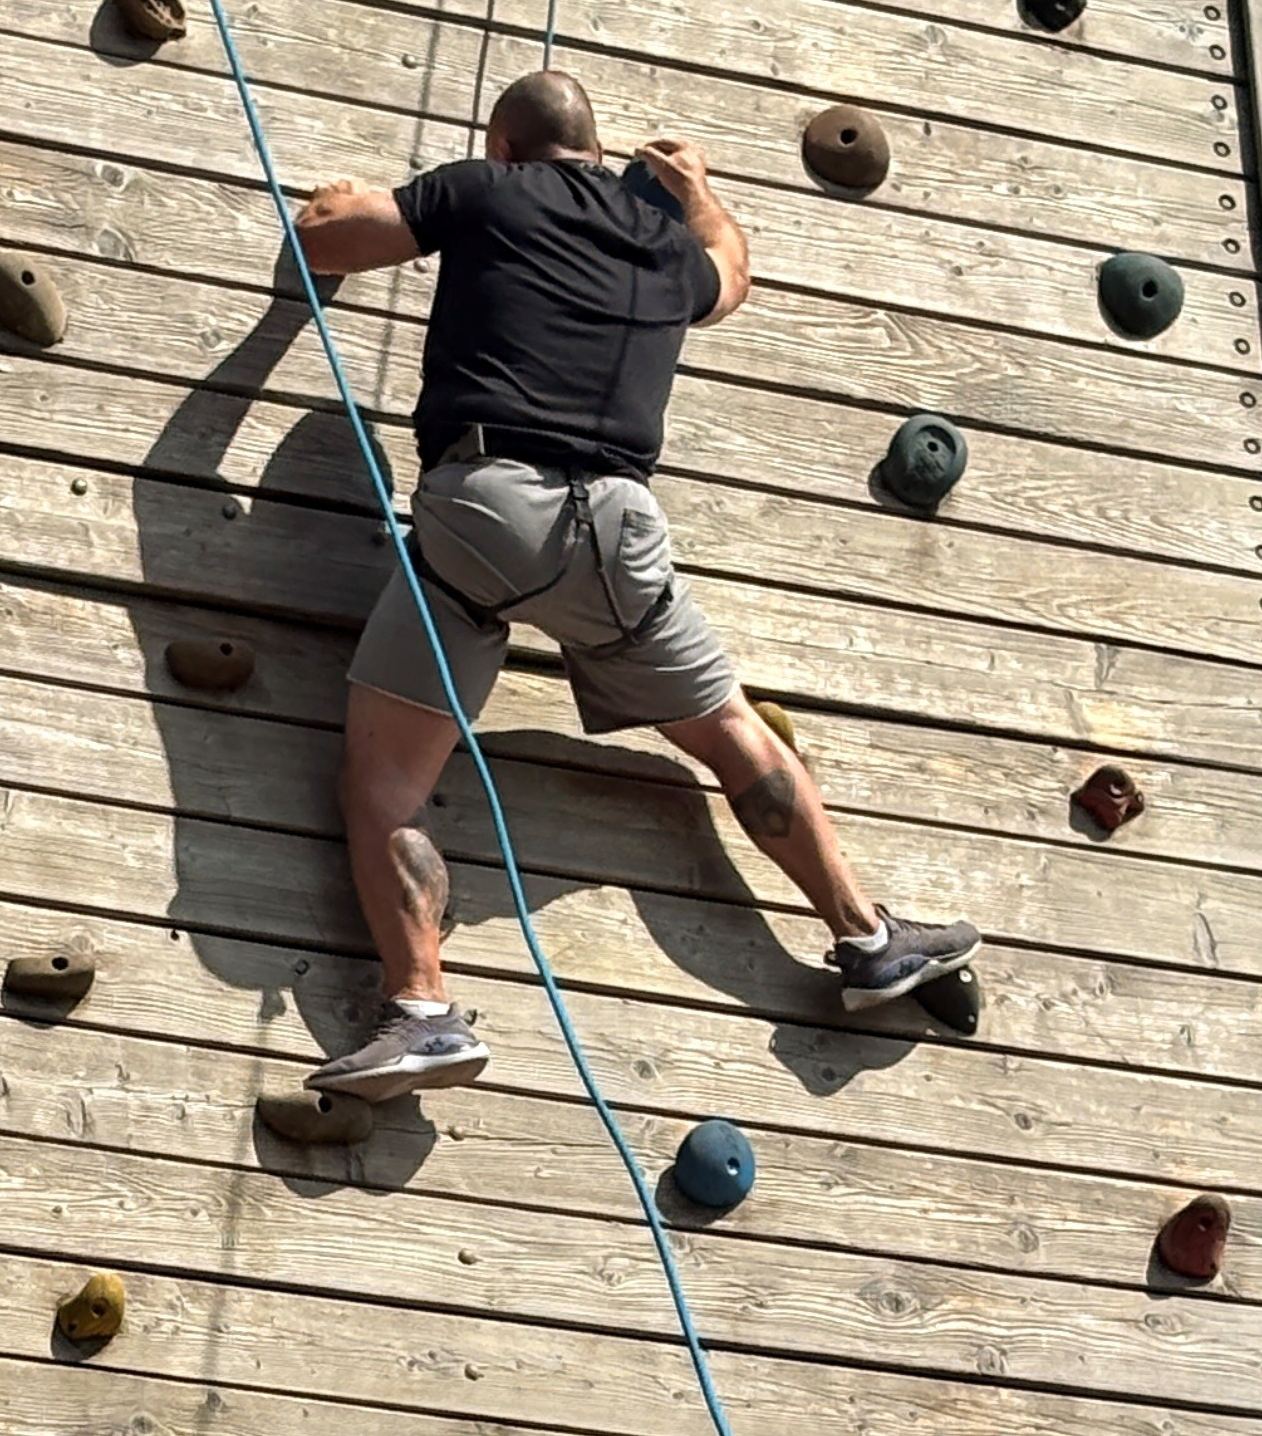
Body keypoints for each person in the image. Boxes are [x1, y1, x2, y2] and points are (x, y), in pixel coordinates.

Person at [290, 68, 979, 1100]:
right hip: (619, 531)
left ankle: (424, 1011)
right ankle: (867, 937)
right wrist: (696, 192)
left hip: (489, 505)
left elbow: (336, 241)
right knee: (730, 731)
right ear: (599, 151)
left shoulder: (485, 189)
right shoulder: (663, 244)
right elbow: (731, 273)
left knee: (386, 784)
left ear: (503, 142)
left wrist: (326, 207)